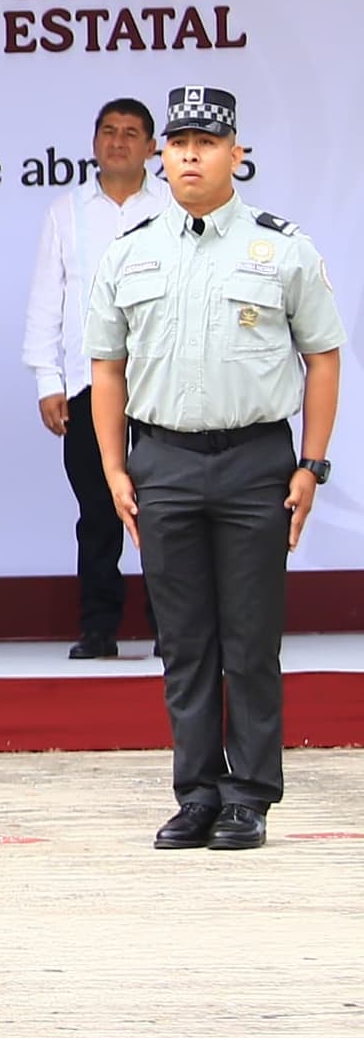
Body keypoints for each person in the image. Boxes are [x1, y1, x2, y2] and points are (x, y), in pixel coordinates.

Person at [91, 84, 342, 854]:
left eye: (207, 141)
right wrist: (114, 470)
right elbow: (108, 368)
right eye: (180, 143)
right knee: (185, 639)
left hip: (255, 459)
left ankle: (250, 796)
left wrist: (312, 464)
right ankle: (197, 792)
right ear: (161, 157)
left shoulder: (280, 247)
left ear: (237, 154)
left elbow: (324, 356)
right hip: (162, 459)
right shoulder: (131, 251)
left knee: (251, 635)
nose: (191, 154)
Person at [23, 98, 158, 656]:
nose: (118, 142)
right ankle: (99, 629)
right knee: (97, 515)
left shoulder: (175, 205)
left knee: (164, 513)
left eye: (131, 133)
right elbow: (45, 300)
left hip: (162, 387)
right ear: (94, 141)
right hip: (86, 386)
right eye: (108, 131)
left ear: (152, 147)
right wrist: (46, 380)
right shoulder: (68, 210)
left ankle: (171, 628)